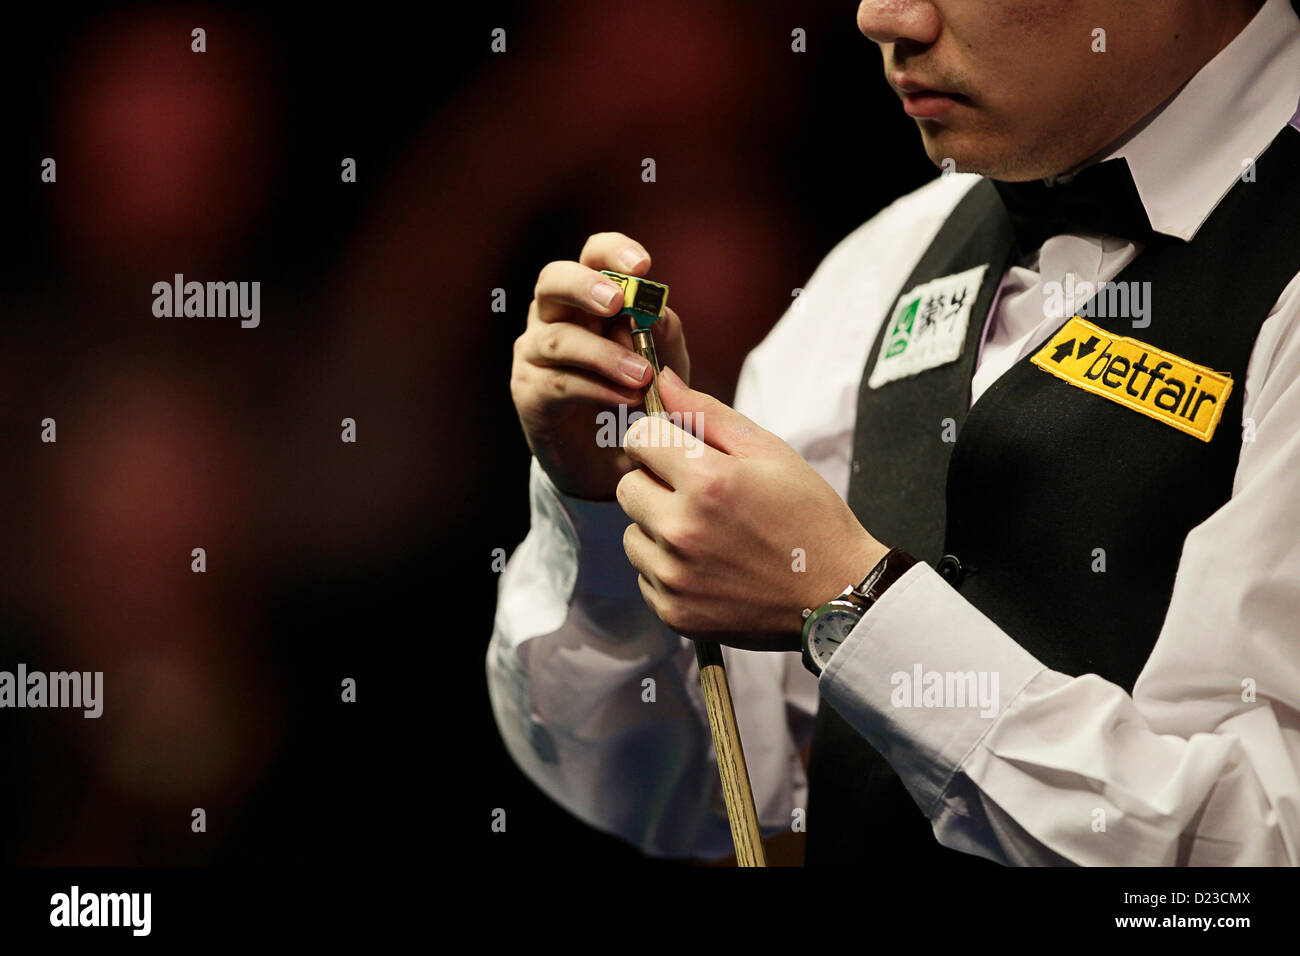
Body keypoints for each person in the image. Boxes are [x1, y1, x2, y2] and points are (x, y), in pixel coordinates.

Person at [488, 0, 1300, 865]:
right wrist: (611, 511)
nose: (884, 16)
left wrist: (855, 605)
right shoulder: (889, 258)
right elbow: (675, 801)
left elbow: (1256, 855)